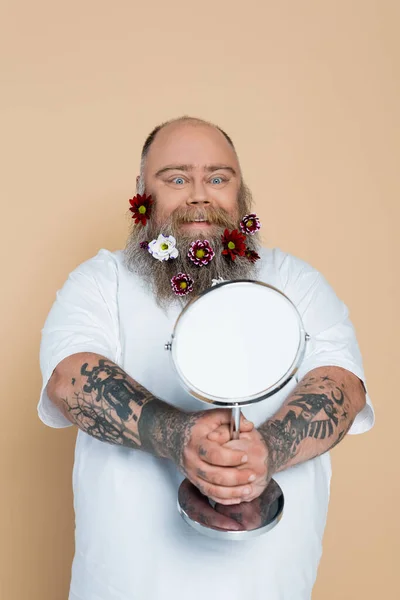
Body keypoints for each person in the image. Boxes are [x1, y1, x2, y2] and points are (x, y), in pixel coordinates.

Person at [38, 116, 374, 600]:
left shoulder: (297, 281)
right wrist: (180, 436)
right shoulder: (99, 282)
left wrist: (268, 451)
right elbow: (71, 380)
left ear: (241, 194)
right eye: (176, 178)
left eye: (218, 178)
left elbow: (342, 385)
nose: (199, 194)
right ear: (141, 195)